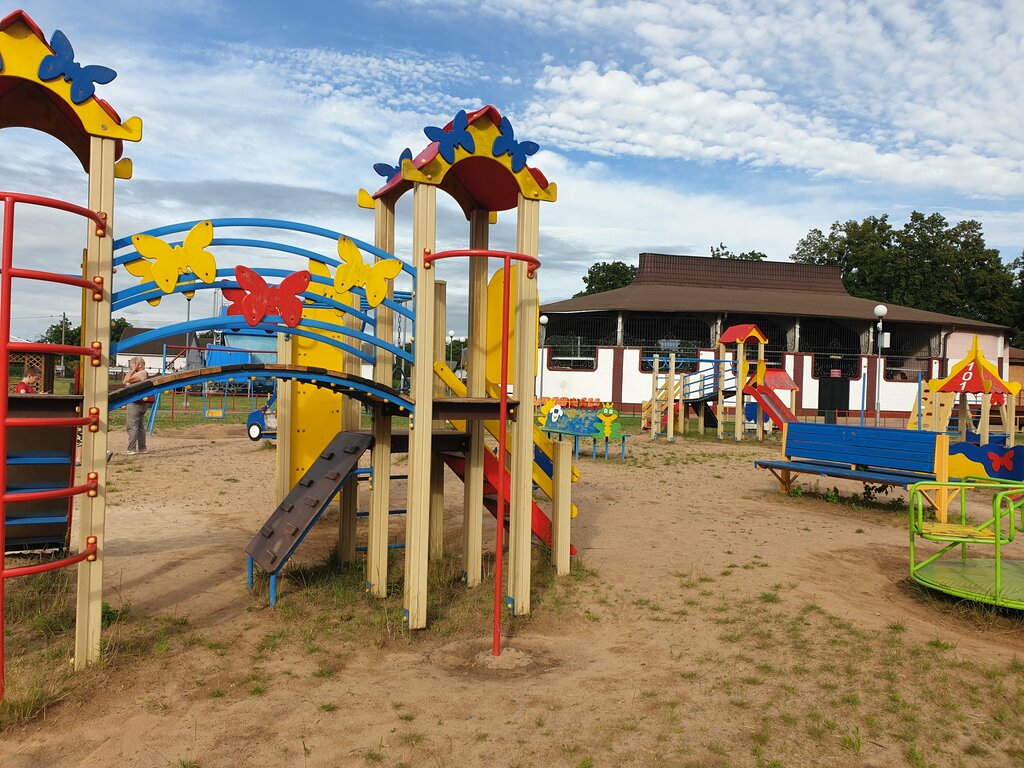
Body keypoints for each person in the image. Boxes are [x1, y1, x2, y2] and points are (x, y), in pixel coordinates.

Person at [123, 356, 151, 454]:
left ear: (138, 364)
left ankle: (131, 449)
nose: (131, 366)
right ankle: (142, 448)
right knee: (139, 426)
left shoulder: (142, 373)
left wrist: (133, 370)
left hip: (135, 402)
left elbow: (125, 380)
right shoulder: (141, 374)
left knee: (132, 426)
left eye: (132, 364)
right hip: (140, 402)